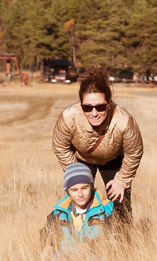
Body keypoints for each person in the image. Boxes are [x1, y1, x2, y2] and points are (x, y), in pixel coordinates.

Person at [52, 67, 143, 224]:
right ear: (81, 105)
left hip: (113, 160)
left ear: (109, 104)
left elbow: (134, 152)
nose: (94, 113)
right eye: (87, 107)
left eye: (100, 107)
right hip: (82, 160)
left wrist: (121, 181)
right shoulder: (68, 118)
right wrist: (76, 173)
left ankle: (124, 243)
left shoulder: (124, 121)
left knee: (120, 204)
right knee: (81, 201)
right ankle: (81, 241)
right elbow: (60, 147)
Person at [40, 163, 114, 250]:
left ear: (91, 187)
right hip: (65, 258)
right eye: (74, 190)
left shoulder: (106, 210)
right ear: (68, 191)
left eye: (84, 188)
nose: (80, 194)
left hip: (96, 258)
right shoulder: (58, 214)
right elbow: (46, 239)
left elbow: (115, 239)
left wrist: (91, 246)